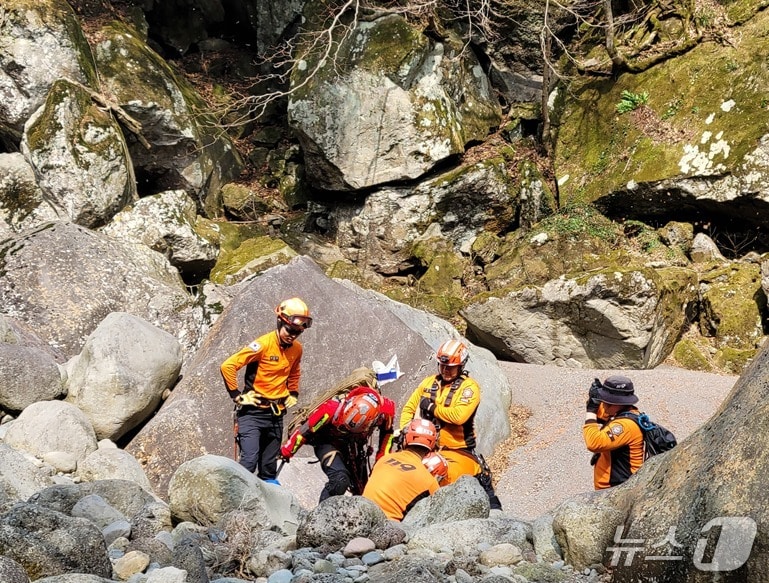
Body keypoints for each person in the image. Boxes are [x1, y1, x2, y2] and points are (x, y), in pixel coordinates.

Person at [399, 339, 502, 509]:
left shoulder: (469, 388)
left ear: (461, 365)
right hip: (425, 448)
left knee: (437, 473)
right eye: (442, 366)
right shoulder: (428, 383)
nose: (446, 370)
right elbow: (409, 409)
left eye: (451, 367)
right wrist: (406, 431)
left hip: (457, 451)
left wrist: (432, 407)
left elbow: (458, 416)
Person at [220, 297, 312, 482]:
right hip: (252, 413)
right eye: (290, 330)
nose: (292, 335)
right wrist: (237, 396)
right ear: (280, 321)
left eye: (297, 332)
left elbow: (294, 371)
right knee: (249, 461)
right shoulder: (262, 345)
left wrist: (293, 392)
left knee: (269, 465)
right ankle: (234, 498)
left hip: (275, 414)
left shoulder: (297, 349)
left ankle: (269, 501)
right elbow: (228, 366)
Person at [280, 384, 395, 501]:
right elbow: (305, 432)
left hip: (355, 443)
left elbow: (387, 434)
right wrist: (286, 451)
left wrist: (381, 463)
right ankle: (320, 516)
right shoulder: (330, 409)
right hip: (327, 440)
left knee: (365, 490)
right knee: (340, 479)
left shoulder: (386, 410)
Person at [362, 419, 445, 521]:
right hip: (387, 527)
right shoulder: (429, 481)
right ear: (432, 445)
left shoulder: (384, 459)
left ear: (406, 439)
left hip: (360, 514)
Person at [582, 375, 645, 490]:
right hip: (614, 488)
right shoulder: (628, 413)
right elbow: (603, 415)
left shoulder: (625, 425)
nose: (603, 404)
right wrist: (593, 401)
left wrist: (591, 410)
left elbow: (594, 443)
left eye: (605, 401)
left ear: (616, 403)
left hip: (618, 489)